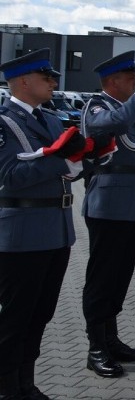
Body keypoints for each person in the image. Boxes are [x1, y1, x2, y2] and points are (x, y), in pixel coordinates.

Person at [0, 49, 85, 399]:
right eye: (46, 77)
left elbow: (65, 168)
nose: (53, 83)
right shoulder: (4, 122)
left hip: (55, 227)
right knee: (15, 317)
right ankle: (7, 386)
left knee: (40, 314)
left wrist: (86, 157)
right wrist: (61, 158)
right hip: (22, 231)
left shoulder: (51, 120)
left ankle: (25, 383)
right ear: (23, 81)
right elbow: (10, 175)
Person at [81, 51, 135, 377]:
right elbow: (110, 126)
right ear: (112, 82)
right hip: (108, 206)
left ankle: (111, 338)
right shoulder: (97, 107)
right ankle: (96, 346)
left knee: (119, 276)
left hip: (130, 205)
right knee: (102, 277)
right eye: (131, 79)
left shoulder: (127, 111)